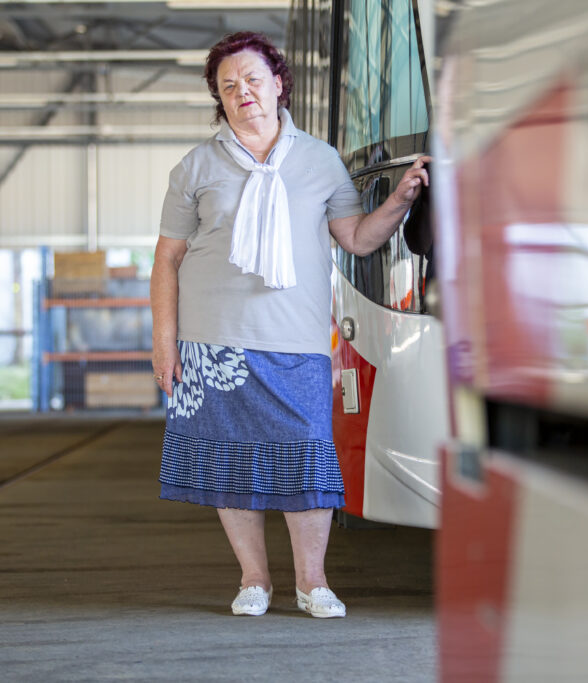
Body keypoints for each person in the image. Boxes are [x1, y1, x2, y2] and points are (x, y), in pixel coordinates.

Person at [151, 31, 429, 619]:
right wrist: (163, 343)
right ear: (219, 99)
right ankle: (254, 580)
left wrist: (400, 201)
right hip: (211, 340)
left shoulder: (319, 160)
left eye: (253, 79)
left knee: (307, 456)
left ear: (279, 84)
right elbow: (167, 259)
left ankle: (313, 583)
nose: (242, 92)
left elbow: (357, 239)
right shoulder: (196, 166)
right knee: (230, 464)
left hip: (297, 339)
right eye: (228, 85)